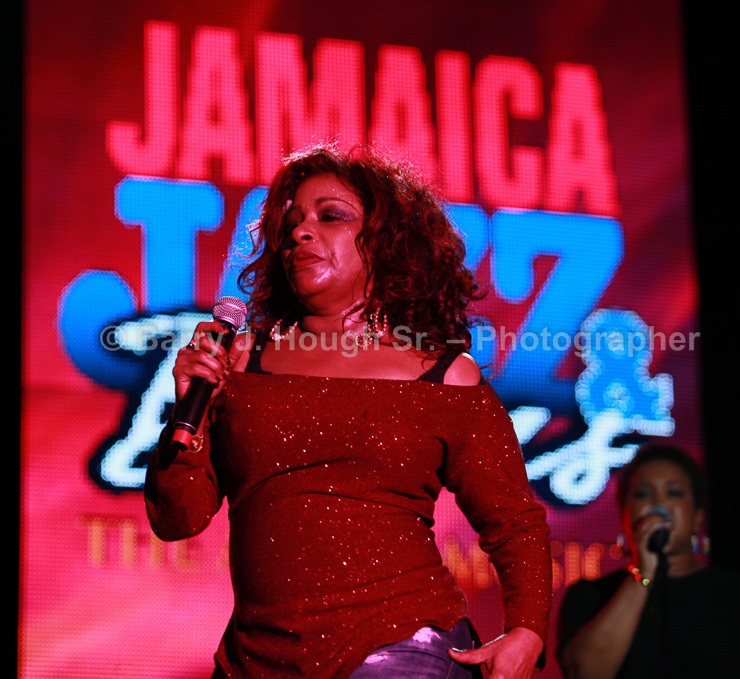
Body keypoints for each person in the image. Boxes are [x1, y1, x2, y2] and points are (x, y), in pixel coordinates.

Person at [145, 144, 552, 679]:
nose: (300, 231)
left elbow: (514, 521)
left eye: (330, 216)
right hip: (255, 660)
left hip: (402, 646)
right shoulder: (239, 361)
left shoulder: (443, 376)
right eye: (291, 221)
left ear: (386, 241)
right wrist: (189, 410)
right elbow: (176, 519)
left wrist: (528, 629)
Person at [557, 443, 740, 678]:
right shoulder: (592, 595)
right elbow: (586, 671)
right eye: (642, 494)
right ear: (624, 513)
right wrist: (643, 574)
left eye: (674, 493)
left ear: (697, 516)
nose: (658, 504)